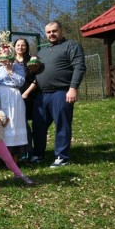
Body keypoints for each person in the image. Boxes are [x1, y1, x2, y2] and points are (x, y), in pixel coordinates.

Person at [31, 21, 86, 167]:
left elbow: (79, 67)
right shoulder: (42, 52)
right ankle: (38, 154)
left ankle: (62, 156)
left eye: (54, 31)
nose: (51, 34)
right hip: (42, 94)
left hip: (61, 92)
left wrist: (73, 88)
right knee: (38, 125)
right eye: (48, 32)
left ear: (61, 30)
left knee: (62, 124)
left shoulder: (72, 46)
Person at [0, 45, 27, 163]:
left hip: (13, 96)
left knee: (12, 123)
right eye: (1, 52)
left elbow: (20, 82)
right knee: (0, 122)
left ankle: (14, 158)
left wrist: (9, 70)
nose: (3, 54)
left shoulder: (18, 66)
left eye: (6, 52)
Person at [13, 38, 38, 159]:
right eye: (18, 45)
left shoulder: (32, 60)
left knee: (26, 124)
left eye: (23, 45)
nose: (20, 47)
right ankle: (19, 151)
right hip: (14, 97)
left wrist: (27, 93)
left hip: (28, 97)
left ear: (27, 47)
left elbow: (37, 79)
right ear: (14, 47)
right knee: (18, 124)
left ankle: (29, 151)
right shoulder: (9, 60)